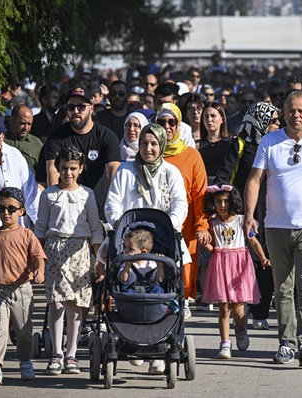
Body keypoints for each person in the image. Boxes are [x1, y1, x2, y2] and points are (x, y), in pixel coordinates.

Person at [244, 91, 302, 366]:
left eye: (301, 110)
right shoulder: (269, 141)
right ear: (283, 113)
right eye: (291, 110)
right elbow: (254, 180)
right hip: (275, 226)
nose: (296, 115)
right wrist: (249, 215)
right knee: (283, 287)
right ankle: (286, 343)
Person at [104, 124, 188, 375]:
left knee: (170, 287)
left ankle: (161, 350)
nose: (148, 148)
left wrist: (169, 226)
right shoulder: (125, 170)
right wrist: (122, 228)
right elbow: (112, 203)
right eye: (144, 143)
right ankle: (128, 338)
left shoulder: (170, 172)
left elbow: (180, 204)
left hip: (162, 240)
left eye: (153, 144)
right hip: (129, 239)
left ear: (161, 145)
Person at [34, 146, 104, 375]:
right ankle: (56, 352)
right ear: (58, 168)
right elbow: (41, 228)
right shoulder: (49, 195)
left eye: (73, 168)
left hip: (80, 251)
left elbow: (95, 228)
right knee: (56, 303)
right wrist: (36, 259)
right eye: (64, 168)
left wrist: (98, 258)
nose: (68, 173)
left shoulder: (87, 194)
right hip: (54, 250)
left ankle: (72, 354)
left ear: (81, 168)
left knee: (75, 305)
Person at [213, 102, 281, 330]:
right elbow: (224, 175)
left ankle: (260, 313)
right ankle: (241, 304)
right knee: (243, 260)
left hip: (271, 210)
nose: (277, 125)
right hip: (243, 212)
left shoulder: (277, 145)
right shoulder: (241, 144)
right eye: (273, 121)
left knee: (266, 260)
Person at [0, 187, 46, 387]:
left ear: (21, 211)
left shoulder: (27, 235)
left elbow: (38, 257)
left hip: (21, 289)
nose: (5, 213)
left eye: (11, 209)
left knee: (24, 329)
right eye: (1, 209)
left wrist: (39, 270)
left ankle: (25, 361)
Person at [201, 185, 267, 359]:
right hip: (221, 264)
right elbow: (213, 248)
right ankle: (225, 344)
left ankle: (240, 329)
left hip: (239, 265)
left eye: (226, 201)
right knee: (224, 308)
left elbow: (253, 240)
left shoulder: (241, 220)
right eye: (218, 202)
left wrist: (262, 257)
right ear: (212, 203)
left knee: (238, 309)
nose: (222, 205)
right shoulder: (212, 223)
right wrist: (204, 242)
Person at [158, 104, 211, 318]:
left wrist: (202, 225)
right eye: (161, 122)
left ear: (179, 125)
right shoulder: (151, 150)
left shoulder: (192, 156)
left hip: (186, 221)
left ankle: (184, 298)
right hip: (157, 218)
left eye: (172, 122)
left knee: (186, 263)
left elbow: (200, 195)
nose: (167, 126)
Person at [116, 227, 164, 294]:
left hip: (150, 290)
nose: (125, 251)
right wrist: (128, 265)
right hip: (132, 290)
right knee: (128, 292)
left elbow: (159, 280)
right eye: (125, 247)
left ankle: (157, 302)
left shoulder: (152, 263)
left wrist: (160, 266)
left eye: (130, 248)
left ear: (143, 252)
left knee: (158, 290)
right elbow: (123, 279)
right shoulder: (126, 263)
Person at [4, 104, 44, 172]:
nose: (26, 128)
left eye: (29, 124)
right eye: (22, 123)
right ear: (12, 120)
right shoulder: (0, 140)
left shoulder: (37, 144)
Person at [199, 102, 231, 182]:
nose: (209, 120)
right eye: (206, 116)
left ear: (222, 119)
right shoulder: (197, 145)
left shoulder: (231, 143)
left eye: (213, 116)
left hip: (225, 187)